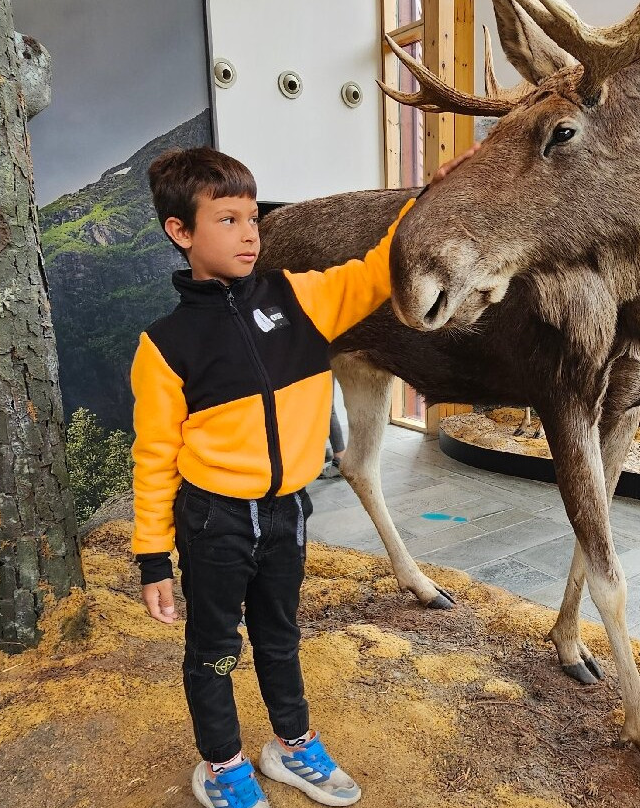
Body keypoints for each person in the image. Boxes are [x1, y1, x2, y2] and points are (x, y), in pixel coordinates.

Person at [130, 143, 475, 808]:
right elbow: (152, 459)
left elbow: (379, 269)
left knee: (281, 635)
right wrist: (152, 559)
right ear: (180, 232)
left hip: (287, 510)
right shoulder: (164, 345)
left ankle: (292, 745)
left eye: (252, 217)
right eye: (226, 220)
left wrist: (427, 199)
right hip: (213, 519)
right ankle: (223, 765)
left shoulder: (300, 298)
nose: (249, 233)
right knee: (212, 649)